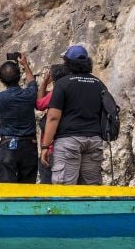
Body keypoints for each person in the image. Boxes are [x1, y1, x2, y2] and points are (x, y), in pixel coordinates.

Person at [40, 45, 107, 185]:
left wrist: (45, 146)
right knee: (91, 190)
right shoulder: (98, 83)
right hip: (94, 141)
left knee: (65, 190)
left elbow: (53, 117)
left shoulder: (63, 84)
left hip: (68, 141)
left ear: (67, 63)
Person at [0, 53, 39, 183]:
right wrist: (25, 65)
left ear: (1, 79)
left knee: (6, 187)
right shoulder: (29, 94)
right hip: (29, 145)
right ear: (19, 77)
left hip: (8, 146)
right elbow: (32, 83)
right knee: (28, 186)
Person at [35, 63, 70, 184]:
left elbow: (39, 104)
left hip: (52, 148)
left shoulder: (56, 93)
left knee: (48, 182)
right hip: (69, 145)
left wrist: (44, 82)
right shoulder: (69, 92)